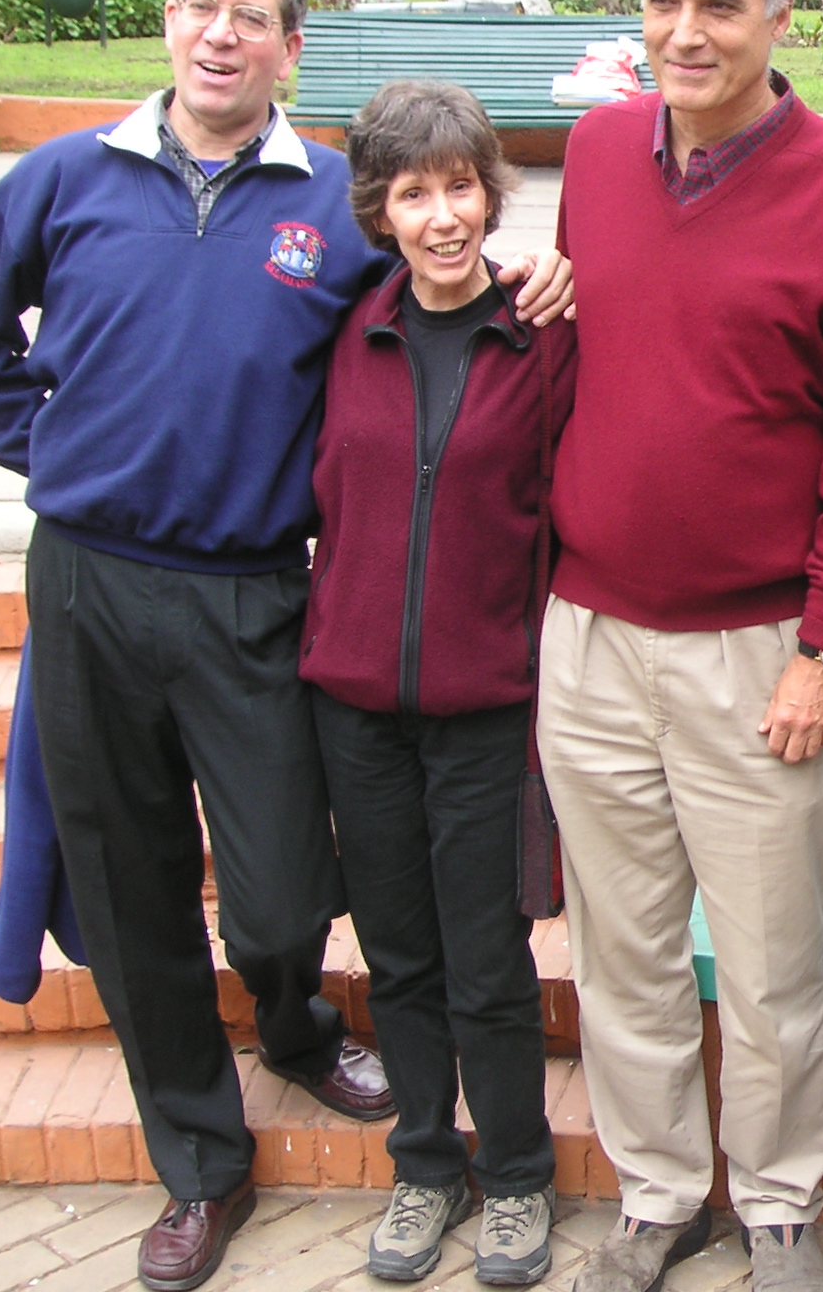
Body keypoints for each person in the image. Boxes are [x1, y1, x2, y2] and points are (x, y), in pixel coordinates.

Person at [0, 0, 567, 1292]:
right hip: (91, 584)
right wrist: (46, 449)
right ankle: (200, 1170)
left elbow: (437, 289)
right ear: (169, 22)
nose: (221, 33)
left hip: (255, 594)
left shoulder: (333, 205)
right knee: (134, 881)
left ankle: (286, 1013)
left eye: (251, 14)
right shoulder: (60, 179)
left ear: (291, 42)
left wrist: (538, 275)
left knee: (280, 886)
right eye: (200, 7)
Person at [538, 0, 823, 1292]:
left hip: (760, 649)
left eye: (718, 2)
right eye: (662, 1)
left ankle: (774, 1207)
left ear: (778, 10)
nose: (684, 31)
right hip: (586, 635)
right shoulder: (590, 152)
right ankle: (656, 1195)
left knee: (767, 970)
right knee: (621, 948)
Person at [302, 80, 577, 1286]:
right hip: (356, 706)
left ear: (489, 194)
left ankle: (515, 1175)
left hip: (485, 708)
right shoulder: (347, 336)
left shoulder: (541, 336)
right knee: (398, 957)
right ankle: (425, 1165)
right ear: (382, 211)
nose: (441, 216)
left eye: (459, 187)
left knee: (486, 959)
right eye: (413, 194)